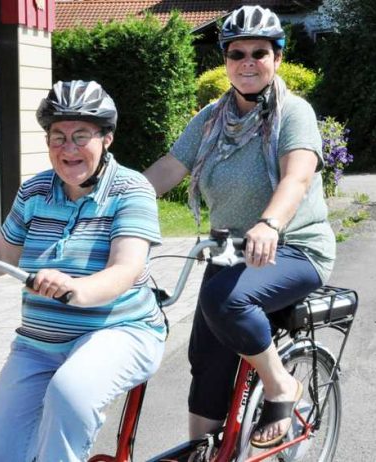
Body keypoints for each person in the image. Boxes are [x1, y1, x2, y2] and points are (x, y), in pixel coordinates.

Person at [0, 80, 166, 461]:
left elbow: (124, 269)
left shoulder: (131, 190)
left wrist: (77, 288)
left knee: (70, 392)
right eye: (57, 137)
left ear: (106, 138)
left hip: (120, 332)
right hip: (38, 344)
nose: (68, 148)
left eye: (81, 135)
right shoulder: (35, 191)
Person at [144, 5, 335, 448]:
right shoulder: (212, 117)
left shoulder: (294, 112)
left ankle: (281, 384)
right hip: (229, 246)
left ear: (277, 58)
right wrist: (111, 203)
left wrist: (270, 222)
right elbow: (170, 168)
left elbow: (297, 175)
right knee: (206, 359)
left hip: (294, 246)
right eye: (236, 53)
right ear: (225, 60)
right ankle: (205, 453)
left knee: (223, 301)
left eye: (259, 52)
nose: (247, 61)